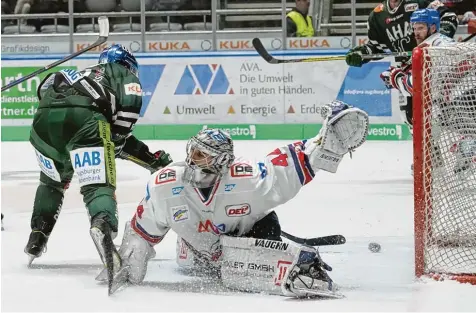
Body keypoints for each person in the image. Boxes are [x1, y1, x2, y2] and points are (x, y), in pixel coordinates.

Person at [98, 100, 370, 298]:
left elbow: (289, 166)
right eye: (193, 152)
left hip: (248, 235)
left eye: (201, 155)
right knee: (201, 265)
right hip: (196, 251)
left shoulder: (247, 179)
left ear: (221, 162)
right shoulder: (165, 186)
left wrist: (324, 141)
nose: (192, 160)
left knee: (264, 226)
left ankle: (290, 266)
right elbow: (142, 232)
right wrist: (125, 266)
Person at [25, 44, 173, 274]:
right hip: (85, 119)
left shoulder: (76, 72)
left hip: (43, 124)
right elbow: (131, 103)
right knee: (97, 184)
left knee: (52, 183)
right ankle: (102, 224)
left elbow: (44, 88)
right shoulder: (121, 72)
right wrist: (121, 137)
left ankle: (38, 235)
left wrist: (150, 159)